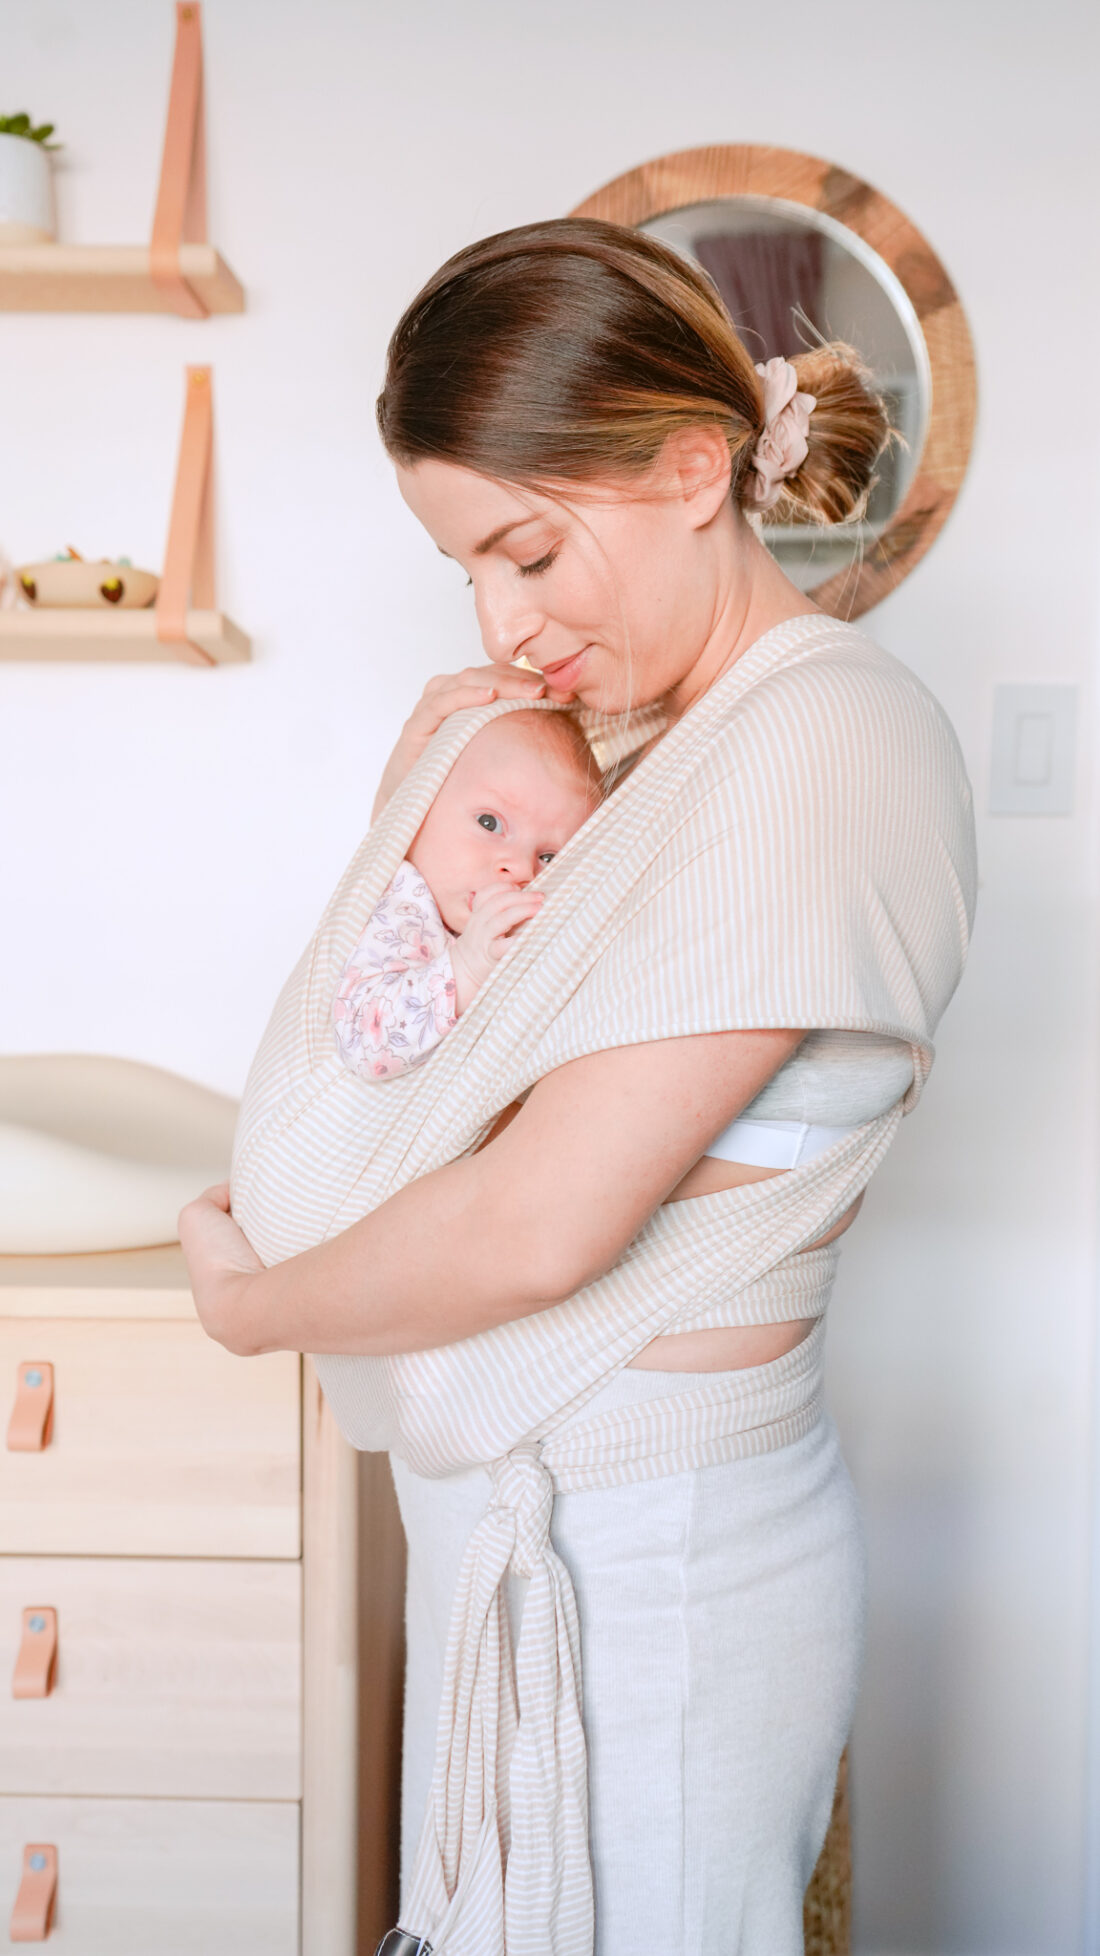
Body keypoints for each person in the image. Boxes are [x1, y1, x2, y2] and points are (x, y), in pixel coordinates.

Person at [180, 218, 976, 1956]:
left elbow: (541, 1214)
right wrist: (409, 814)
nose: (504, 623)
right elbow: (426, 1058)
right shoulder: (639, 758)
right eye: (470, 572)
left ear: (697, 466)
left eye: (528, 552)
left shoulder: (822, 742)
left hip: (653, 1564)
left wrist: (256, 1310)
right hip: (538, 1528)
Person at [334, 709, 601, 1081]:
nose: (523, 869)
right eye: (489, 823)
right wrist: (467, 967)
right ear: (419, 809)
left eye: (548, 857)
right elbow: (366, 1045)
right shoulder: (402, 905)